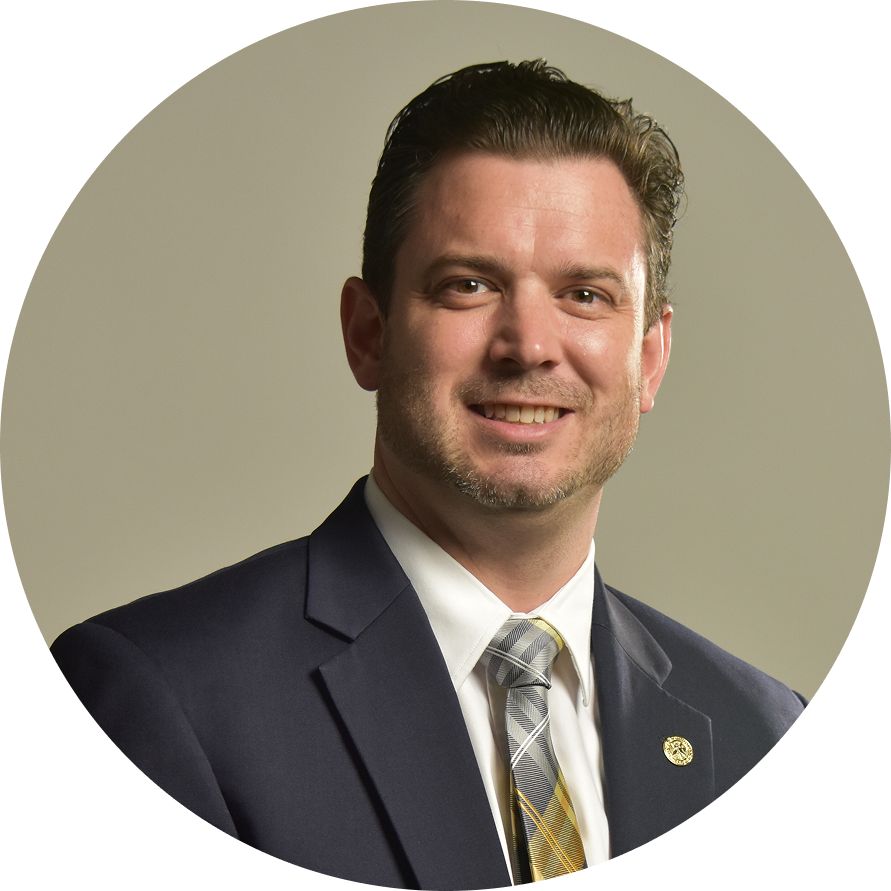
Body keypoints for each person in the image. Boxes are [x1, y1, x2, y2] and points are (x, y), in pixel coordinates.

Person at [50, 61, 805, 887]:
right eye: (468, 285)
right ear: (367, 333)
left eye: (584, 295)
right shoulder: (166, 696)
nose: (528, 344)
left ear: (649, 360)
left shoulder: (757, 727)